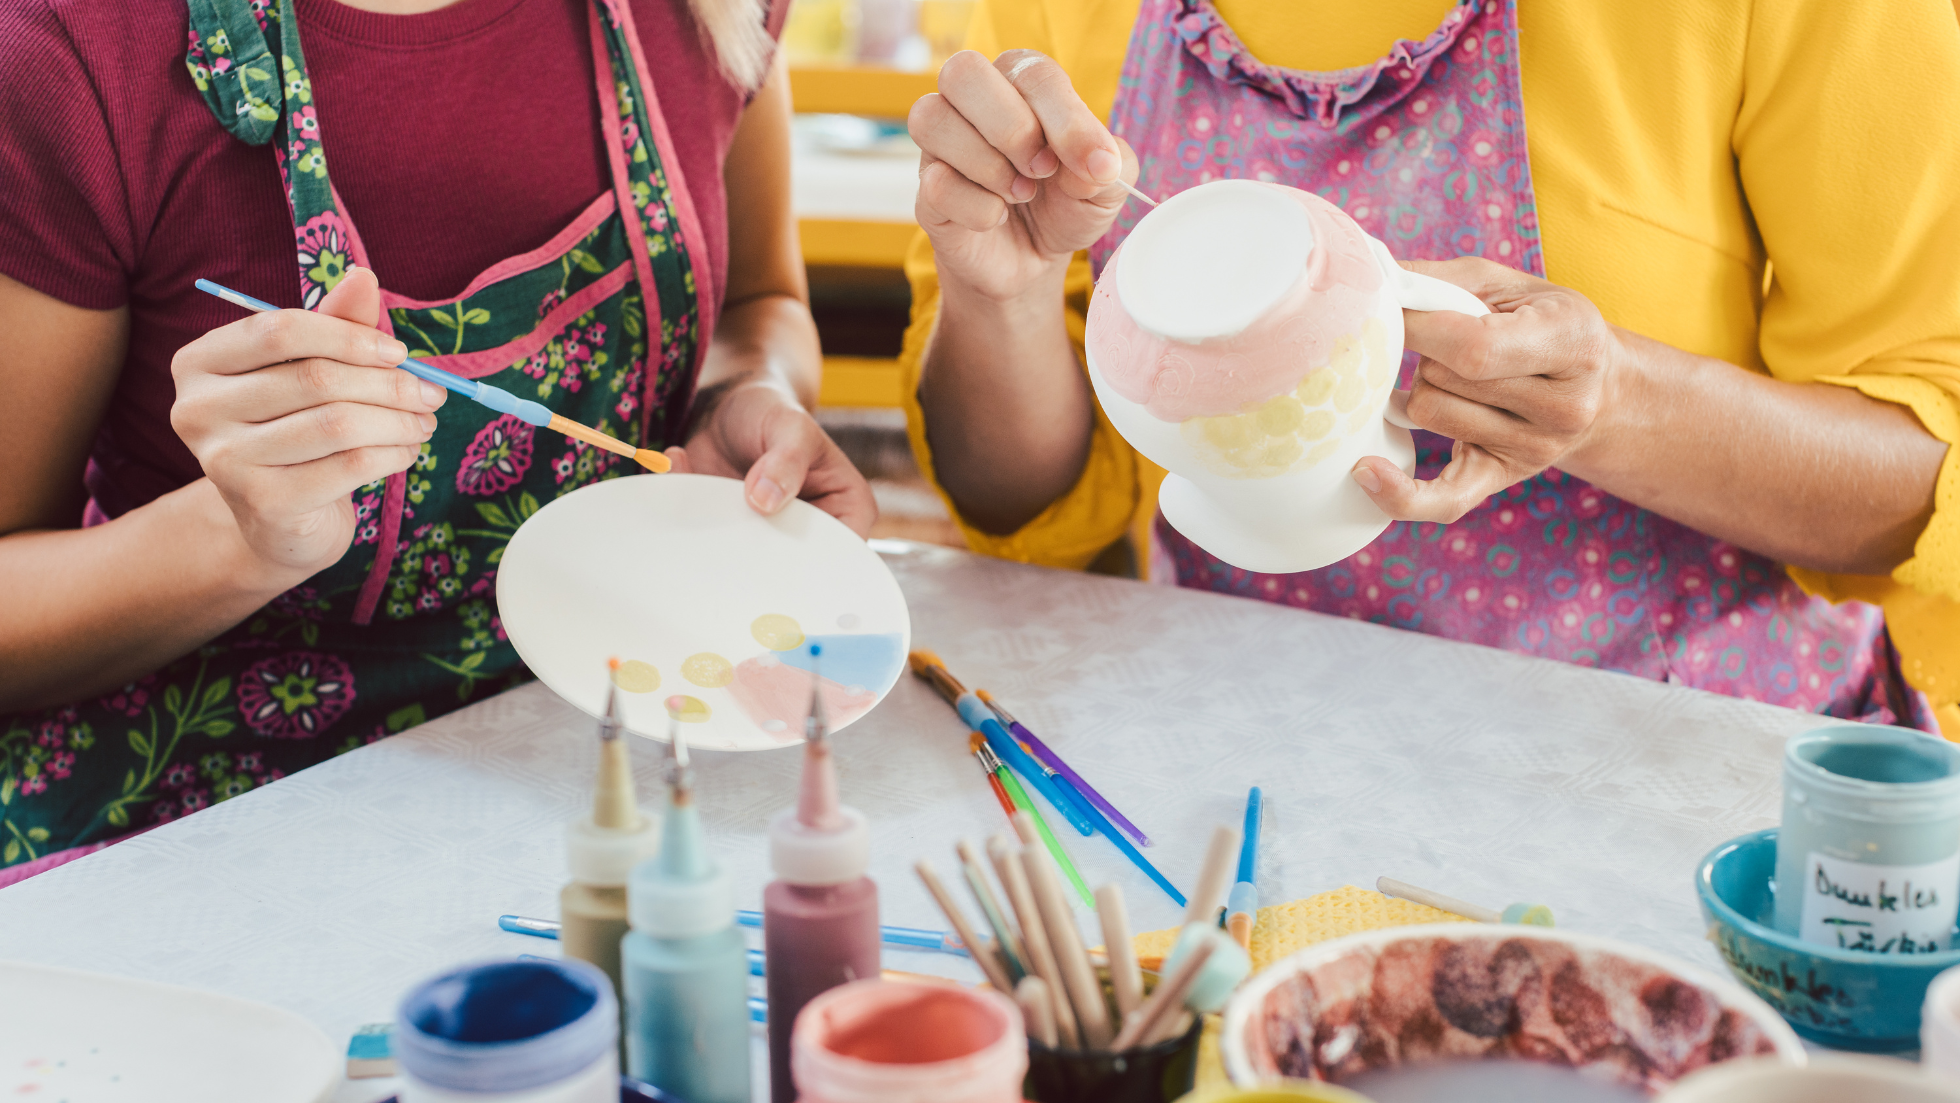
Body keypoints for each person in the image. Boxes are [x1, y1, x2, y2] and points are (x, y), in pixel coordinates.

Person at [901, 0, 1960, 736]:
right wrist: (1005, 295)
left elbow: (1918, 484)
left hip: (1691, 787)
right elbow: (1021, 502)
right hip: (1250, 758)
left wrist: (1615, 404)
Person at [0, 0, 873, 879]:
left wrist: (743, 394)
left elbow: (765, 303)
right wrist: (241, 541)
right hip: (212, 834)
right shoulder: (75, 48)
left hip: (626, 767)